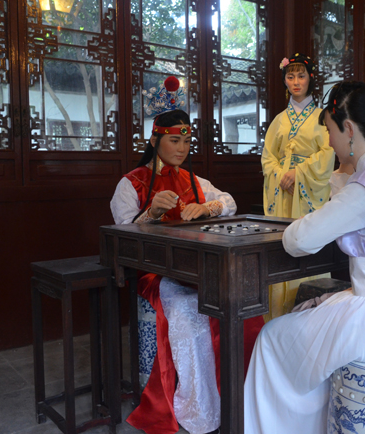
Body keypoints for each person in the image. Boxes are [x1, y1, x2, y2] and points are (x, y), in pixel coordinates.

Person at [244, 81, 365, 433]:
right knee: (306, 329)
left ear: (348, 129)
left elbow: (298, 240)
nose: (329, 141)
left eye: (330, 131)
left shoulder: (364, 189)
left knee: (272, 336)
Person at [111, 101, 264, 434]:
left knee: (241, 306)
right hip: (155, 271)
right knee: (186, 312)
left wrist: (207, 207)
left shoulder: (193, 180)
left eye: (186, 141)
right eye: (174, 140)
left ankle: (243, 401)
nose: (181, 148)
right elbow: (122, 235)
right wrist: (151, 213)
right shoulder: (131, 183)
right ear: (154, 140)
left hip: (196, 268)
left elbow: (229, 202)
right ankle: (201, 410)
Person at [261, 53, 335, 319]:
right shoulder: (279, 120)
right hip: (282, 192)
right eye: (290, 76)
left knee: (306, 242)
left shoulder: (322, 118)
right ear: (285, 80)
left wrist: (299, 173)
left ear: (310, 79)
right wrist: (282, 175)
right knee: (280, 244)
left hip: (306, 194)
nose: (295, 82)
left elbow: (328, 152)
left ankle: (310, 316)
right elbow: (268, 156)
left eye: (301, 76)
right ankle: (276, 316)